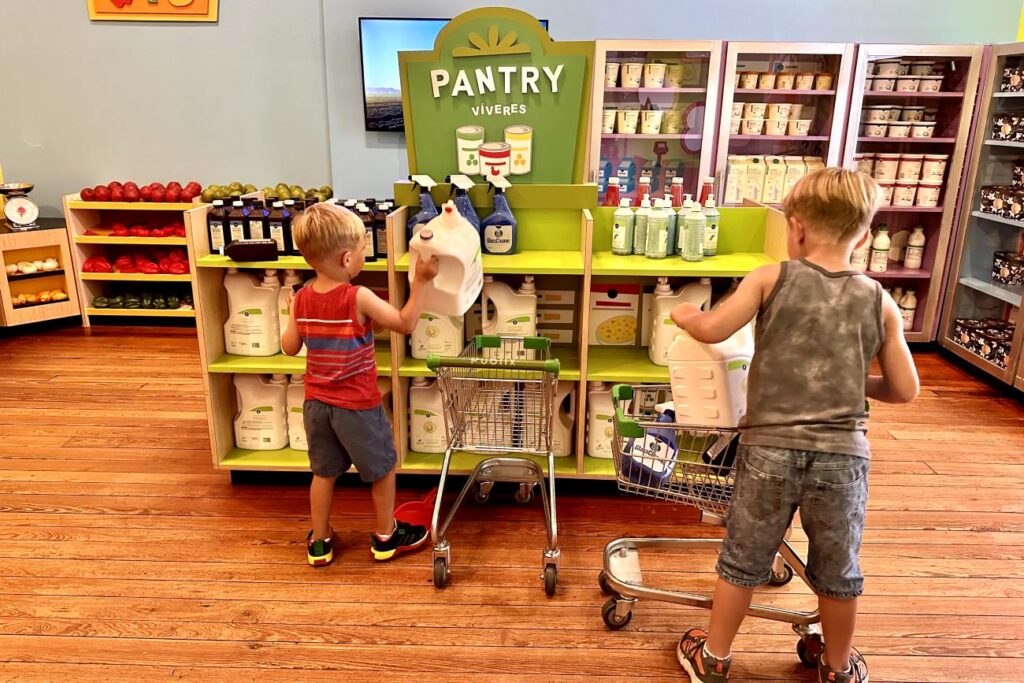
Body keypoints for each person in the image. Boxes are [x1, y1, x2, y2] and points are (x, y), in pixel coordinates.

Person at [670, 168, 919, 683]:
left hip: (769, 452)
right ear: (865, 235)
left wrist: (687, 315)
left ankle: (713, 658)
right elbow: (904, 389)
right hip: (842, 460)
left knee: (743, 557)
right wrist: (851, 387)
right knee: (837, 569)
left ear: (797, 228)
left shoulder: (770, 277)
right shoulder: (880, 300)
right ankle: (836, 666)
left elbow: (715, 329)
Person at [282, 203, 439, 566]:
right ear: (348, 257)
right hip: (358, 405)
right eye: (364, 248)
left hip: (316, 406)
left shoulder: (301, 298)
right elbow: (404, 322)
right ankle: (386, 536)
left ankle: (320, 541)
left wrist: (291, 312)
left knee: (323, 472)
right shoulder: (358, 296)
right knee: (381, 469)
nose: (365, 254)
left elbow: (290, 347)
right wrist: (422, 282)